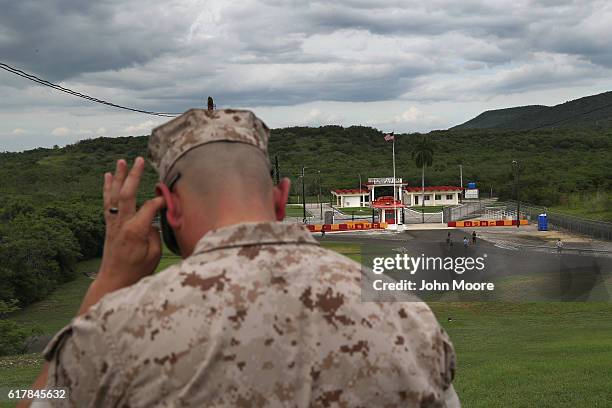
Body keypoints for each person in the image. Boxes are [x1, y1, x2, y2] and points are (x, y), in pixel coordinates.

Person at [23, 109, 459, 407]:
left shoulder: (115, 330)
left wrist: (106, 284)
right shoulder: (408, 316)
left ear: (168, 207)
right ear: (281, 198)